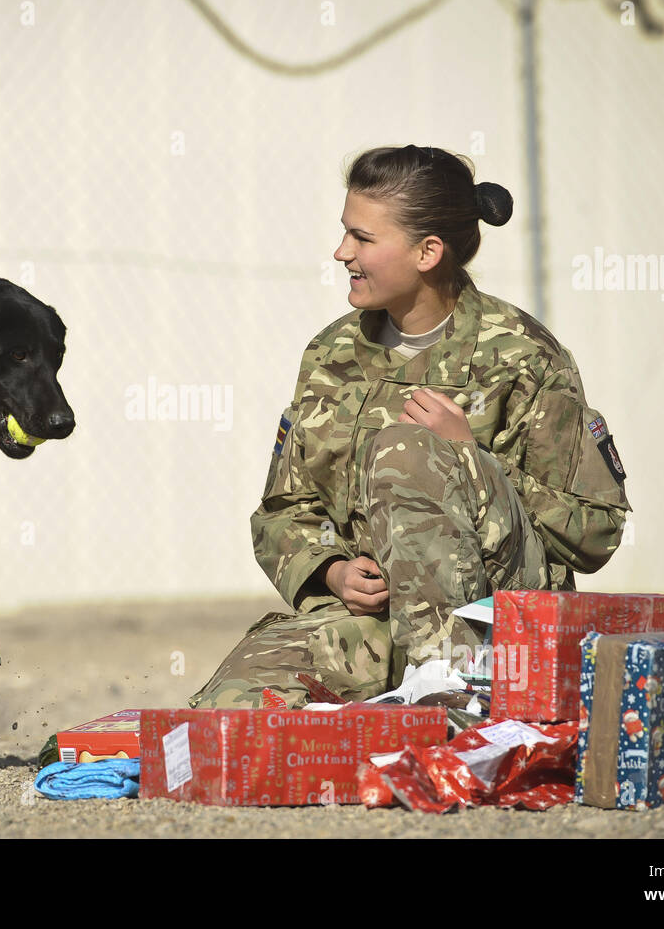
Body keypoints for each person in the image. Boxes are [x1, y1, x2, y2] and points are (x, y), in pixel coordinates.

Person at [189, 145, 631, 709]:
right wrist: (333, 572)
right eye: (345, 233)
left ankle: (455, 697)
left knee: (410, 450)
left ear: (428, 252)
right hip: (371, 624)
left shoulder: (524, 357)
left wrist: (469, 457)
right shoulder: (332, 354)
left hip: (492, 624)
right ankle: (403, 703)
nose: (341, 252)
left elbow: (595, 532)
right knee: (223, 718)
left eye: (362, 239)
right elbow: (283, 511)